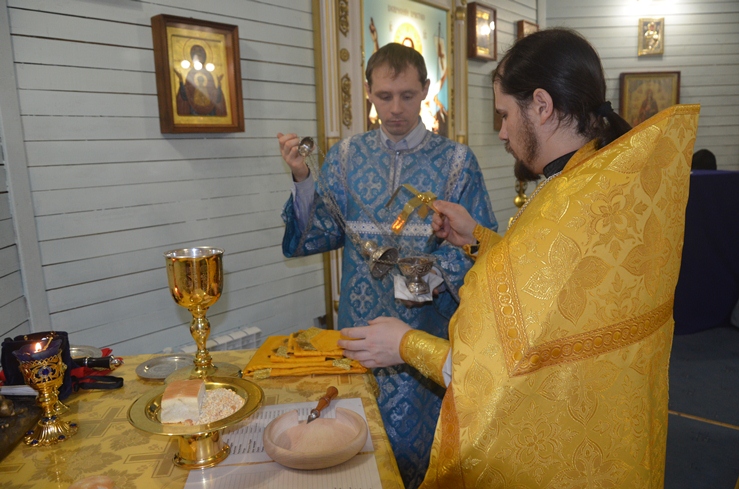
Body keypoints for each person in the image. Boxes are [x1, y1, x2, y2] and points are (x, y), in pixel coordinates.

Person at [339, 28, 700, 487]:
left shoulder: (567, 205)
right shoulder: (602, 180)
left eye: (505, 114)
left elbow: (493, 373)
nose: (503, 132)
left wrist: (405, 343)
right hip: (603, 434)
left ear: (542, 106)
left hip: (561, 449)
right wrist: (478, 239)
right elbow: (552, 281)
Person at [278, 42, 497, 488]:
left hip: (424, 338)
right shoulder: (343, 158)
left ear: (426, 90)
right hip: (359, 334)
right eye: (384, 96)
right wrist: (302, 178)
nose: (395, 108)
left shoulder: (456, 163)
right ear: (368, 92)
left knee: (423, 453)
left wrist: (427, 280)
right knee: (357, 453)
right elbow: (316, 235)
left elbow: (480, 247)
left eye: (407, 95)